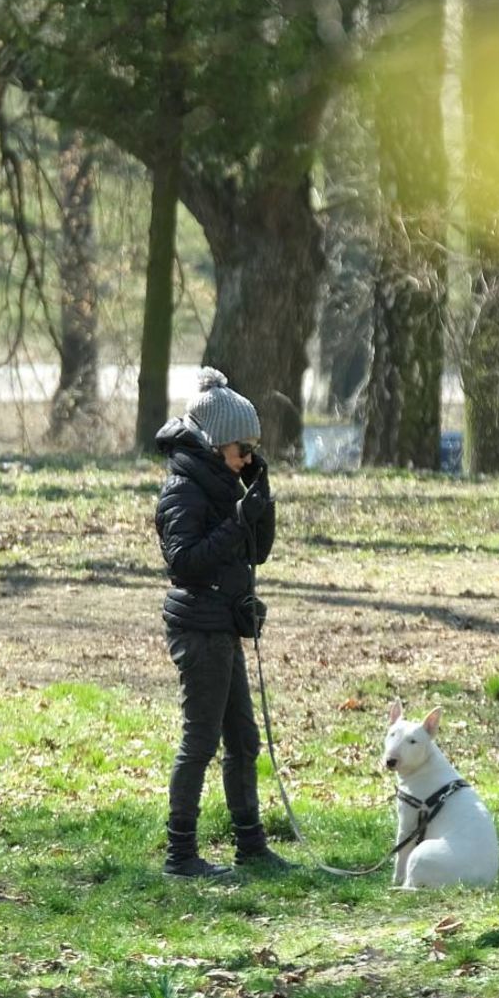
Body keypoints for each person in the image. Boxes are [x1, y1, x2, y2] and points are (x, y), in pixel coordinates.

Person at [153, 367, 290, 877]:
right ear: (214, 445)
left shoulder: (223, 482)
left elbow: (261, 551)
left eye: (253, 450)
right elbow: (184, 563)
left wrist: (261, 496)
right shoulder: (183, 489)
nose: (247, 459)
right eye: (241, 450)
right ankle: (180, 855)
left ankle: (251, 847)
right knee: (200, 740)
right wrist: (237, 520)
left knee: (244, 739)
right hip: (198, 628)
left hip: (223, 625)